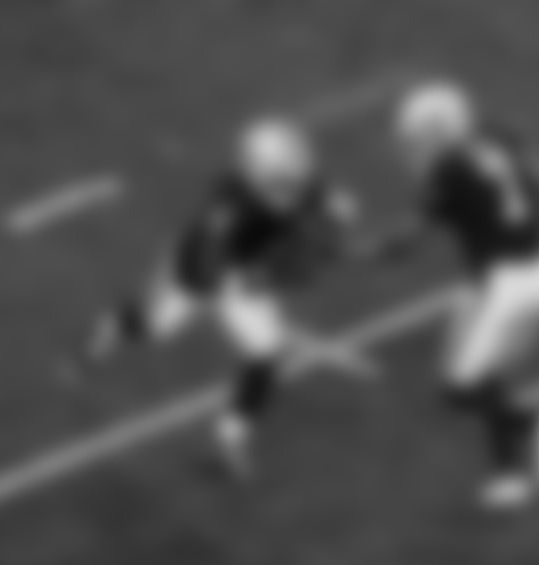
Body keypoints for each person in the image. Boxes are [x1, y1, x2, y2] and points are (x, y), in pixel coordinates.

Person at [77, 117, 368, 479]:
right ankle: (112, 326)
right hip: (197, 269)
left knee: (264, 353)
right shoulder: (229, 200)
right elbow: (209, 256)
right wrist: (245, 281)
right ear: (256, 172)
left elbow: (325, 212)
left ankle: (231, 437)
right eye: (281, 176)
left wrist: (333, 226)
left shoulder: (300, 183)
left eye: (293, 172)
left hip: (243, 272)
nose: (291, 182)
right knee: (155, 329)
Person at [386, 80, 539, 510]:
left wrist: (362, 251)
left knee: (460, 391)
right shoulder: (499, 136)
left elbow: (407, 241)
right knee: (485, 376)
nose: (417, 146)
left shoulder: (447, 171)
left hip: (509, 288)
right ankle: (507, 475)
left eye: (421, 137)